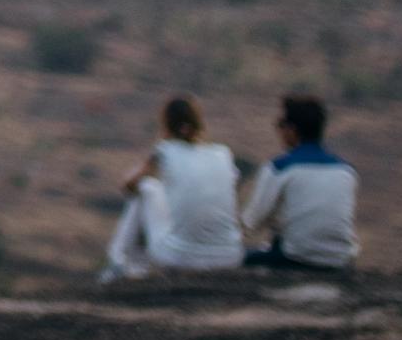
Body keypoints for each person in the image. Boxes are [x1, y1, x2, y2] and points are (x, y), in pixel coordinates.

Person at [102, 94, 242, 279]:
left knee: (148, 189)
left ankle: (120, 263)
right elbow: (233, 184)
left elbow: (129, 185)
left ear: (166, 124)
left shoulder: (164, 151)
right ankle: (125, 265)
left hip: (180, 257)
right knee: (159, 194)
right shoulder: (222, 153)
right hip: (230, 255)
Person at [242, 93, 359, 270]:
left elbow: (252, 222)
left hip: (295, 258)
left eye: (280, 125)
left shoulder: (279, 168)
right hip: (340, 261)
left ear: (291, 130)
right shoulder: (346, 171)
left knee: (241, 258)